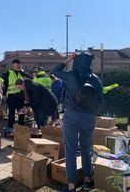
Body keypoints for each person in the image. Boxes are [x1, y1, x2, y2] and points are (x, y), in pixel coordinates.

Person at [53, 52, 103, 192]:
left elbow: (55, 71)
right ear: (88, 63)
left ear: (77, 62)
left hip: (72, 115)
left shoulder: (71, 75)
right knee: (87, 148)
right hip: (89, 117)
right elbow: (100, 102)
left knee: (71, 149)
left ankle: (71, 186)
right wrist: (92, 113)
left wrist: (68, 60)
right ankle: (87, 181)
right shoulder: (95, 79)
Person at [2, 59, 30, 137]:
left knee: (21, 112)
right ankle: (10, 128)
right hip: (11, 96)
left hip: (21, 96)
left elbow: (30, 78)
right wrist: (4, 94)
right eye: (17, 64)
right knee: (11, 113)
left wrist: (21, 72)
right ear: (13, 65)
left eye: (20, 64)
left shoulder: (22, 73)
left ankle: (21, 128)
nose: (18, 65)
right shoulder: (8, 73)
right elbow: (5, 84)